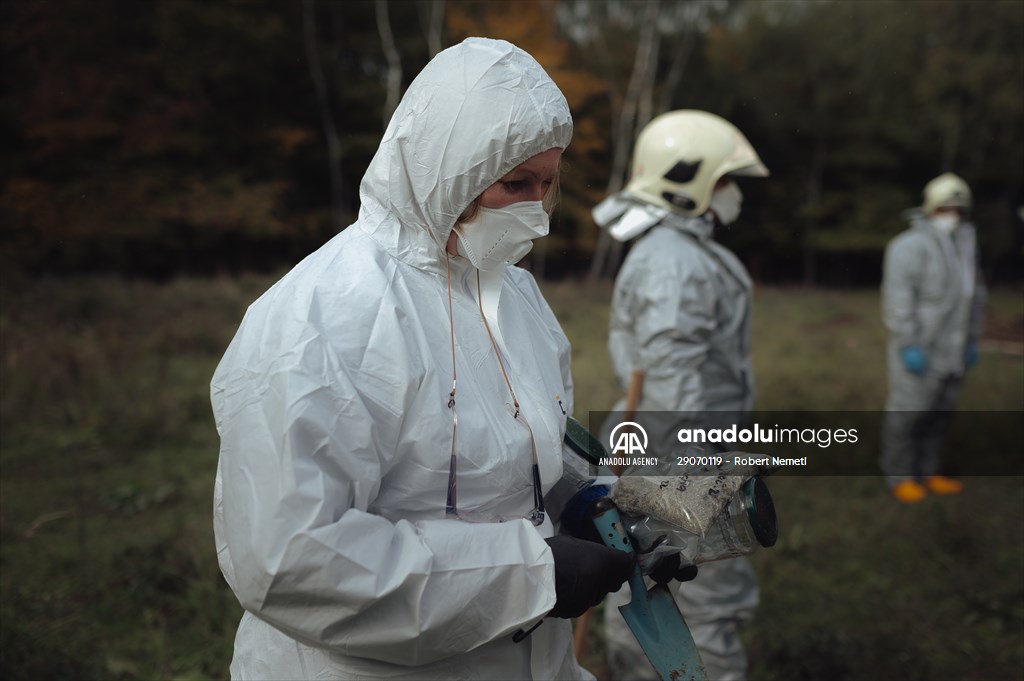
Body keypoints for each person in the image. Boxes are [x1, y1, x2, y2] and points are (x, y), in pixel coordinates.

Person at [211, 37, 633, 680]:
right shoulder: (321, 318)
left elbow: (526, 448)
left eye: (546, 184)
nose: (535, 213)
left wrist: (598, 501)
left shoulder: (510, 292)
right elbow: (290, 560)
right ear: (447, 169)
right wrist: (530, 574)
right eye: (515, 183)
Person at [592, 110, 769, 681]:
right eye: (726, 180)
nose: (736, 194)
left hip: (672, 451)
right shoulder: (676, 265)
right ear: (689, 182)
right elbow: (672, 384)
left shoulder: (678, 253)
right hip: (678, 459)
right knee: (699, 606)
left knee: (650, 588)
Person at [881, 172, 985, 503]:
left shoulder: (966, 247)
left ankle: (929, 471)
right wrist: (909, 342)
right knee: (908, 414)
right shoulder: (908, 246)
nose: (952, 215)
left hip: (953, 350)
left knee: (940, 416)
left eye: (958, 209)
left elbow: (974, 296)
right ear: (930, 208)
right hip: (919, 349)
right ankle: (899, 476)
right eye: (945, 208)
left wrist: (971, 339)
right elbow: (898, 299)